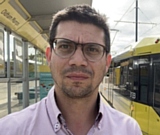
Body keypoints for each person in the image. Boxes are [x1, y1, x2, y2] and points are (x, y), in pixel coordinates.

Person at [0, 4, 142, 135]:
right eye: (65, 46)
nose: (78, 61)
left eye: (92, 49)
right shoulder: (9, 129)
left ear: (107, 62)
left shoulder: (129, 130)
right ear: (49, 56)